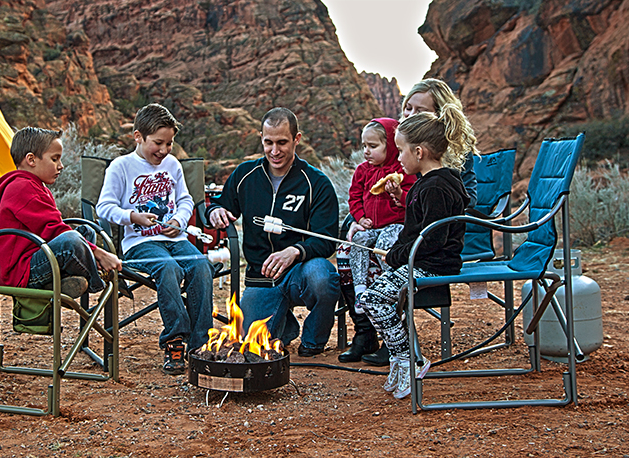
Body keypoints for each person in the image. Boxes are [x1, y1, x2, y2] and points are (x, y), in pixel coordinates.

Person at [360, 78, 481, 367]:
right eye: (407, 109)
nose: (410, 115)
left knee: (386, 252)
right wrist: (403, 199)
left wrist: (401, 248)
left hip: (431, 255)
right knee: (361, 246)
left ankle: (401, 350)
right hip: (416, 241)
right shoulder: (418, 174)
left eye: (419, 110)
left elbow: (443, 220)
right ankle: (371, 333)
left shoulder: (441, 176)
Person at [207, 107, 339, 357]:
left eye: (282, 142)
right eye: (268, 142)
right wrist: (215, 211)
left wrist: (295, 252)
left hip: (301, 271)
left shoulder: (316, 183)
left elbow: (327, 238)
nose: (275, 151)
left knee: (323, 277)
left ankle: (313, 340)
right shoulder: (245, 175)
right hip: (261, 276)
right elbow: (221, 204)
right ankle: (285, 327)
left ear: (296, 139)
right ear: (261, 138)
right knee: (249, 342)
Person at [96, 103, 214, 375]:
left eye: (169, 143)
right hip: (140, 244)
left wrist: (179, 221)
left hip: (175, 239)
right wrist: (132, 217)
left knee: (201, 267)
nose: (163, 150)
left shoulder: (172, 164)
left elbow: (185, 200)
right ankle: (174, 339)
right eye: (157, 143)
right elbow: (104, 208)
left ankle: (201, 345)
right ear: (138, 137)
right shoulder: (121, 166)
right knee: (168, 268)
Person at [0, 126, 121, 297]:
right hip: (19, 273)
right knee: (70, 240)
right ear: (31, 160)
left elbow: (53, 228)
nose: (61, 166)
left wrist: (90, 248)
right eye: (55, 159)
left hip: (33, 257)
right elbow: (54, 230)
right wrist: (99, 252)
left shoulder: (34, 185)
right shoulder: (21, 188)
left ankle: (63, 280)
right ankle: (101, 279)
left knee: (85, 231)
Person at [337, 118, 415, 363]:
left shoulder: (402, 172)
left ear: (390, 146)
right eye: (364, 146)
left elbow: (411, 202)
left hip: (394, 227)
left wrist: (397, 194)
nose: (366, 151)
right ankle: (363, 321)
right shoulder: (363, 171)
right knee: (350, 246)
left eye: (373, 146)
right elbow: (354, 198)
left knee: (384, 248)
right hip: (370, 227)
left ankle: (386, 304)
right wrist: (359, 218)